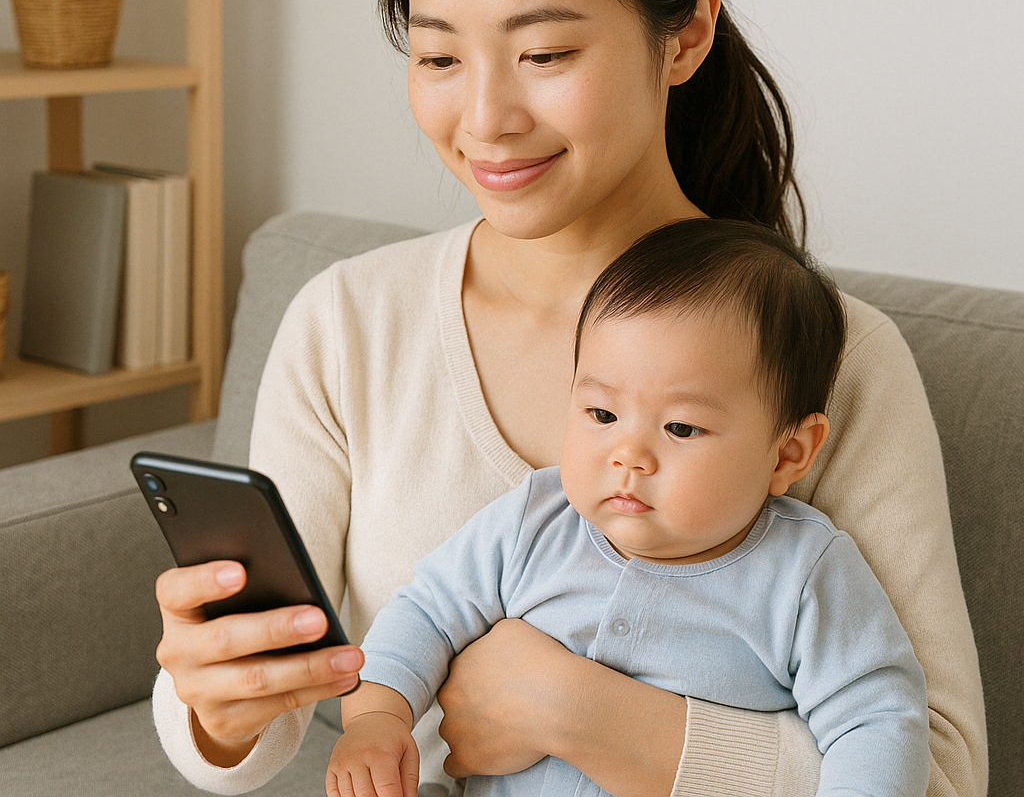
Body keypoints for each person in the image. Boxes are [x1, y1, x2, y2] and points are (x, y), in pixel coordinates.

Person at [150, 0, 986, 797]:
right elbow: (271, 717)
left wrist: (578, 713)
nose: (488, 117)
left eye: (544, 53)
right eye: (438, 57)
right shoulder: (346, 324)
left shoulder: (834, 360)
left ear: (684, 36)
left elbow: (935, 771)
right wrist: (213, 704)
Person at [326, 218, 931, 797]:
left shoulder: (805, 573)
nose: (629, 456)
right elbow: (426, 612)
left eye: (681, 428)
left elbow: (875, 721)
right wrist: (377, 718)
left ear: (787, 454)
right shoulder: (535, 519)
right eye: (602, 415)